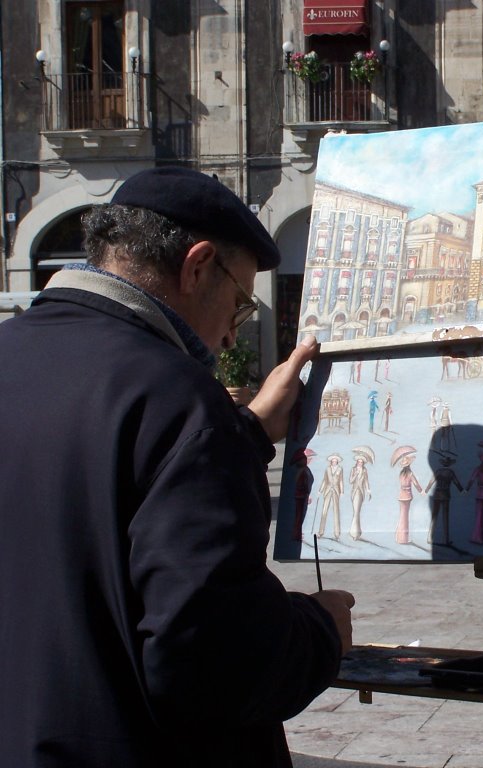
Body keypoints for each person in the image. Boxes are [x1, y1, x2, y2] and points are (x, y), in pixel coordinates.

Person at [0, 167, 354, 767]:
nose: (226, 337)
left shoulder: (13, 352)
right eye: (240, 304)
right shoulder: (178, 397)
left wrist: (245, 429)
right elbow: (211, 659)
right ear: (197, 266)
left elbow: (92, 497)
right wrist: (319, 631)